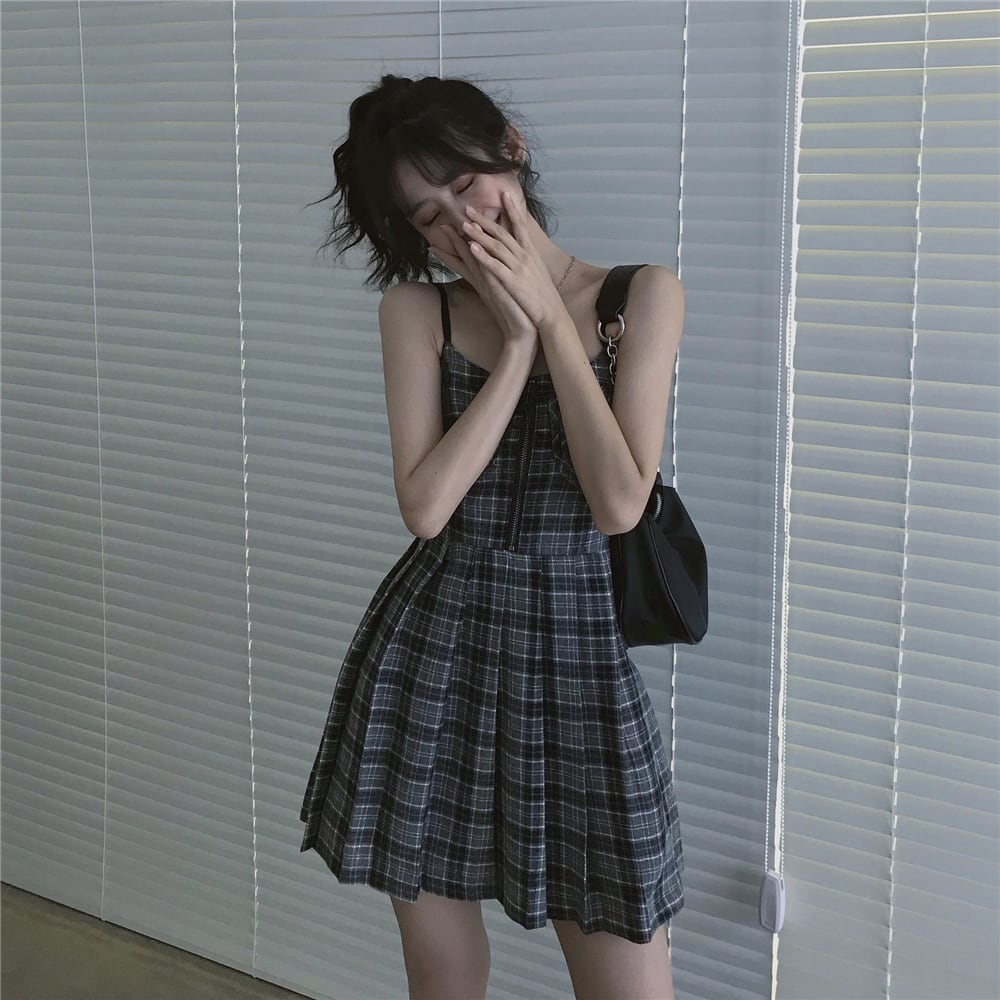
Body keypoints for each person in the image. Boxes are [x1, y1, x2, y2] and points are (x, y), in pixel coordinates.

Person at [299, 73, 686, 1000]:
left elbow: (618, 503)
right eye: (429, 217)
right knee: (443, 980)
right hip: (433, 657)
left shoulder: (641, 295)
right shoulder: (416, 312)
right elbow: (427, 508)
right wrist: (513, 348)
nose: (462, 224)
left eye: (467, 185)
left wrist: (549, 318)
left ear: (511, 149)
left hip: (577, 661)